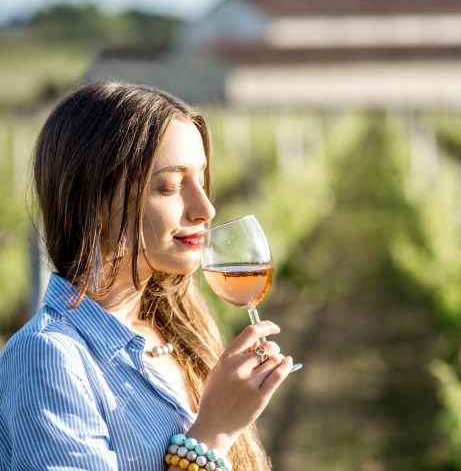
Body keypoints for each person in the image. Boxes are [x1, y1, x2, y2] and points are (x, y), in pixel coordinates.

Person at [0, 81, 294, 470]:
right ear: (95, 202)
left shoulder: (176, 325)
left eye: (201, 179)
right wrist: (213, 434)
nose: (205, 207)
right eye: (170, 186)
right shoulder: (48, 360)